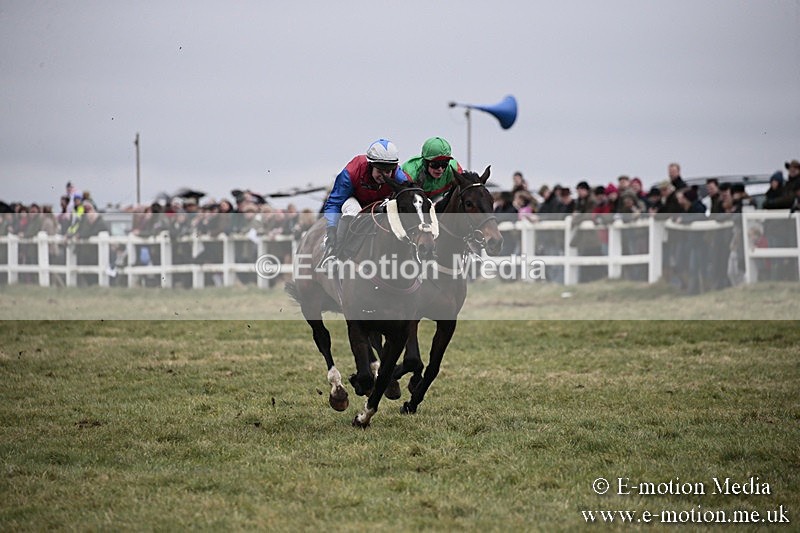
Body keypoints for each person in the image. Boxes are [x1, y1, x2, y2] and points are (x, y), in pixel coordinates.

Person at [321, 139, 411, 263]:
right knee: (353, 210)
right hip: (354, 201)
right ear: (370, 166)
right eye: (380, 171)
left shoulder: (399, 176)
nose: (384, 176)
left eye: (388, 171)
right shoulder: (352, 172)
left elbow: (412, 195)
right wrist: (331, 228)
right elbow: (334, 203)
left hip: (379, 202)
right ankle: (334, 253)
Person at [400, 136, 463, 200]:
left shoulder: (455, 170)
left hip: (440, 197)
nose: (440, 169)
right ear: (425, 162)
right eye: (435, 164)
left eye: (444, 164)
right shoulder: (410, 173)